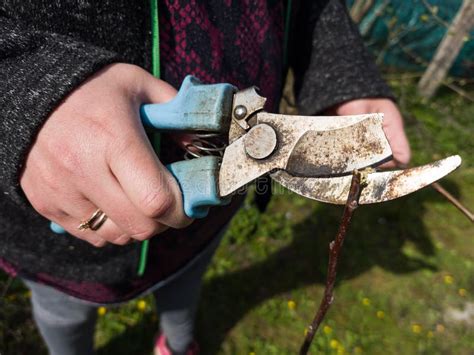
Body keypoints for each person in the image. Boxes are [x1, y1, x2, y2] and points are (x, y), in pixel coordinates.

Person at [0, 0, 410, 354]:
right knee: (62, 313)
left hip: (207, 217)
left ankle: (177, 344)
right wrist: (22, 91)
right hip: (60, 228)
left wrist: (340, 71)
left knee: (185, 287)